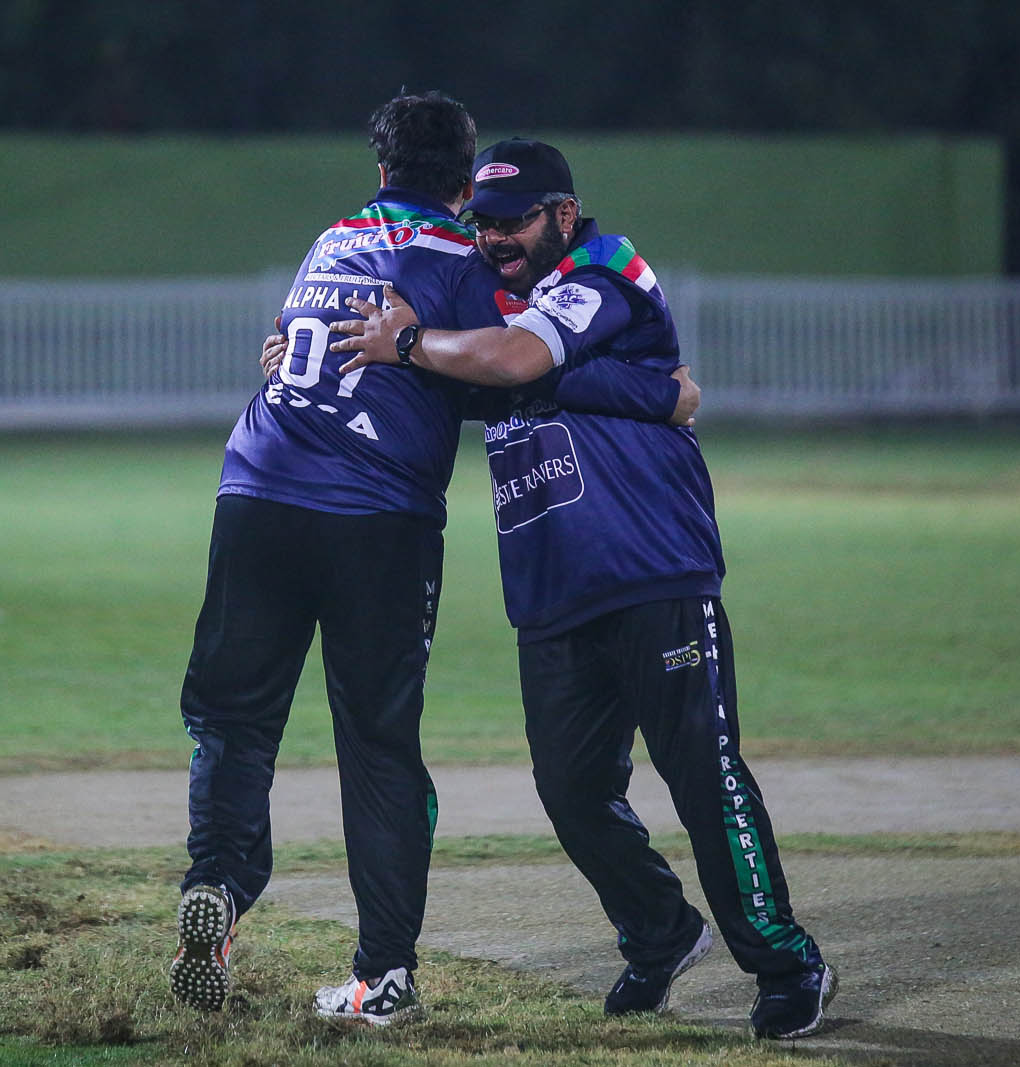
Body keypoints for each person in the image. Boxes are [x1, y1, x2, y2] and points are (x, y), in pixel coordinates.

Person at [171, 95, 688, 1026]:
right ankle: (383, 975)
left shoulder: (330, 242)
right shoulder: (463, 261)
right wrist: (662, 393)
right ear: (464, 185)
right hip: (375, 518)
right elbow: (524, 363)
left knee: (231, 721)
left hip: (254, 492)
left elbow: (296, 352)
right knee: (379, 748)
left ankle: (216, 881)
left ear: (379, 173)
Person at [330, 138, 836, 1039]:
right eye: (483, 223)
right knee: (570, 791)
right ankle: (660, 930)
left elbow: (517, 362)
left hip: (654, 571)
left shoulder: (605, 266)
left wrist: (412, 343)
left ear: (562, 214)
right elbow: (468, 372)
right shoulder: (488, 316)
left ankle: (788, 961)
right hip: (551, 593)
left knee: (703, 774)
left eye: (515, 220)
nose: (495, 237)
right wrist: (650, 394)